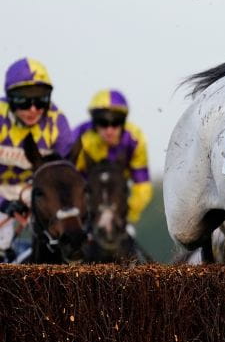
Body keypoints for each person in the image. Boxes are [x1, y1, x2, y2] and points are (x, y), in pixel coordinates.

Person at [0, 58, 74, 261]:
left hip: (33, 191)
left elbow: (63, 176)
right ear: (10, 98)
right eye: (24, 101)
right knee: (2, 238)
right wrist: (5, 204)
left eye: (41, 100)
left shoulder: (57, 122)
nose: (33, 109)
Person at [73, 90, 153, 232]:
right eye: (103, 123)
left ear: (123, 123)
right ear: (95, 124)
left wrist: (126, 213)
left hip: (118, 200)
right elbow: (70, 180)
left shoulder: (135, 139)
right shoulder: (80, 137)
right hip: (87, 200)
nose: (109, 130)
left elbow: (142, 186)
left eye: (116, 123)